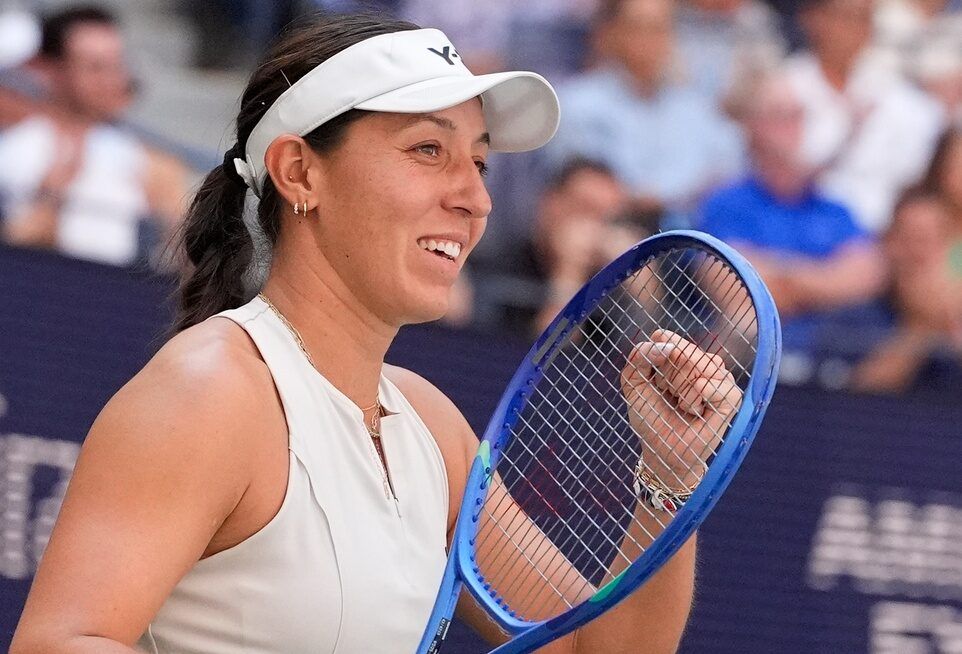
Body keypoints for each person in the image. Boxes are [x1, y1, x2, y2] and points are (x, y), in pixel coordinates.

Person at [10, 13, 734, 654]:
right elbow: (61, 642)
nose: (475, 197)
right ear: (299, 172)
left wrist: (670, 483)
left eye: (479, 162)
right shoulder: (208, 392)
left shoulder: (431, 425)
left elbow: (587, 650)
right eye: (428, 150)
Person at [699, 72, 886, 351]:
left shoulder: (834, 208)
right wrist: (826, 279)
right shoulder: (726, 202)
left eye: (798, 115)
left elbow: (868, 276)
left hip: (835, 352)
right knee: (746, 323)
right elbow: (725, 283)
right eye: (779, 115)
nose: (792, 126)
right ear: (752, 126)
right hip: (752, 357)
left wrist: (785, 280)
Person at [0, 6, 190, 267]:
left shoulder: (142, 157)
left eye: (116, 65)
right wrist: (54, 193)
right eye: (94, 68)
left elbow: (185, 262)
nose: (111, 80)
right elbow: (18, 245)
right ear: (52, 70)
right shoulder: (16, 148)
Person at [545, 0, 744, 216]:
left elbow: (729, 172)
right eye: (637, 27)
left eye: (659, 28)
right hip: (612, 231)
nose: (649, 41)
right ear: (608, 34)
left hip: (692, 236)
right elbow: (579, 187)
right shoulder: (577, 104)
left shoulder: (695, 108)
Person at [782, 0, 944, 232]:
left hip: (887, 233)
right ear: (813, 19)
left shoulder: (894, 92)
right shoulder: (785, 88)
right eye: (845, 17)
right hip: (805, 227)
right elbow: (787, 176)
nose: (855, 29)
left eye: (864, 18)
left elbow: (920, 165)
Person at [851, 188, 962, 392]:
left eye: (929, 241)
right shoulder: (855, 319)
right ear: (889, 243)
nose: (917, 254)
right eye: (908, 239)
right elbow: (854, 397)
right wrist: (921, 325)